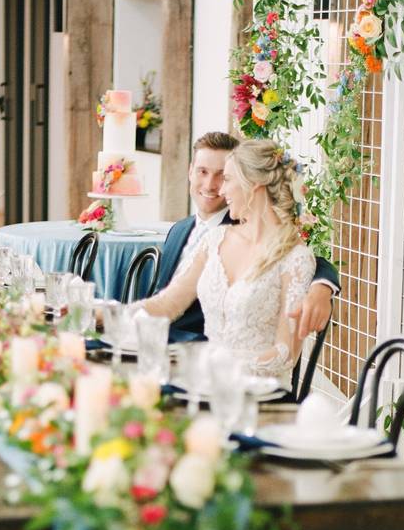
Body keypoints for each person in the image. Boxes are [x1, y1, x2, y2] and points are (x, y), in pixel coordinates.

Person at [135, 138, 320, 380]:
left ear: (253, 185)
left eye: (228, 179)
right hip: (203, 382)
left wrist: (213, 365)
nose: (221, 190)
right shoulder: (216, 239)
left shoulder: (295, 258)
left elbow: (286, 356)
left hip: (257, 394)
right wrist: (106, 313)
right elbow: (168, 302)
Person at [153, 132, 338, 341]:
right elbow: (164, 299)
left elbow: (304, 259)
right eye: (202, 171)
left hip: (201, 349)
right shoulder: (179, 230)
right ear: (190, 172)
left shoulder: (246, 227)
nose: (211, 185)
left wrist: (322, 287)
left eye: (223, 176)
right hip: (157, 341)